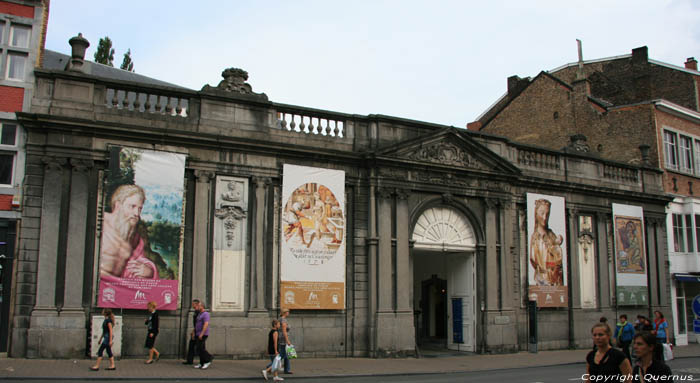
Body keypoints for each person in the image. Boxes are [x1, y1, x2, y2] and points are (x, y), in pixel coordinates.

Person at [99, 184, 158, 279]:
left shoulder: (135, 238)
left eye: (140, 209)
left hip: (118, 289)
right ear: (118, 206)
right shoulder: (101, 223)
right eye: (132, 206)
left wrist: (149, 271)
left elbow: (139, 263)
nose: (137, 214)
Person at [529, 199, 564, 286]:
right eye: (542, 213)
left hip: (555, 279)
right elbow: (533, 259)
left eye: (547, 214)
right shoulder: (535, 237)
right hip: (543, 279)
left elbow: (558, 258)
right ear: (536, 214)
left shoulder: (552, 235)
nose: (545, 217)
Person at [194, 301, 213, 370]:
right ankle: (201, 363)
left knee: (200, 348)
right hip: (198, 333)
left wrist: (202, 333)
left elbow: (206, 324)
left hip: (203, 334)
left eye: (199, 306)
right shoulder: (199, 314)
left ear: (202, 306)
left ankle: (208, 359)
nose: (197, 307)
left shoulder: (206, 314)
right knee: (200, 348)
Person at [182, 299, 200, 365]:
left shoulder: (198, 312)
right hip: (195, 330)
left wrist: (194, 331)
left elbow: (197, 323)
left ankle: (207, 358)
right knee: (192, 345)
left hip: (197, 331)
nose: (192, 305)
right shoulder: (196, 312)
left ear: (197, 304)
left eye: (193, 304)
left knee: (199, 346)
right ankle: (189, 360)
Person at [279, 309, 292, 374]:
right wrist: (287, 341)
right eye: (288, 312)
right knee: (282, 355)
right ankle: (269, 367)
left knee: (286, 354)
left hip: (283, 338)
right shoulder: (283, 320)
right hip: (284, 339)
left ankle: (287, 369)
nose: (289, 313)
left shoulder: (281, 319)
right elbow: (284, 331)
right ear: (284, 313)